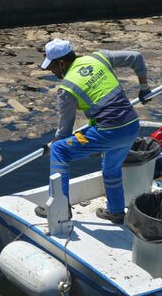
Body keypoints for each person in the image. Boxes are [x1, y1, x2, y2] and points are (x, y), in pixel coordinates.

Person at [35, 38, 151, 224]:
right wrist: (144, 87)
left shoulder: (67, 88)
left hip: (109, 132)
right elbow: (136, 57)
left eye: (53, 67)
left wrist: (53, 143)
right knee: (110, 168)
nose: (52, 71)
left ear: (62, 62)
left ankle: (60, 208)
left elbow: (64, 132)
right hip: (131, 126)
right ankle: (115, 212)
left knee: (59, 150)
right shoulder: (99, 57)